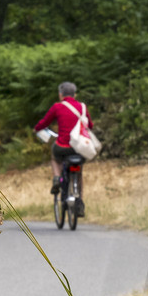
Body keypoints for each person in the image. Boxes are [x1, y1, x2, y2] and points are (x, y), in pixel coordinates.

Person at [34, 82, 93, 216]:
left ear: (61, 95)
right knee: (79, 173)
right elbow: (90, 125)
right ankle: (79, 201)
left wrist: (36, 129)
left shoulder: (57, 107)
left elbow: (45, 122)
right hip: (79, 148)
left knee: (54, 157)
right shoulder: (82, 107)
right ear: (75, 94)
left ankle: (56, 178)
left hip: (62, 146)